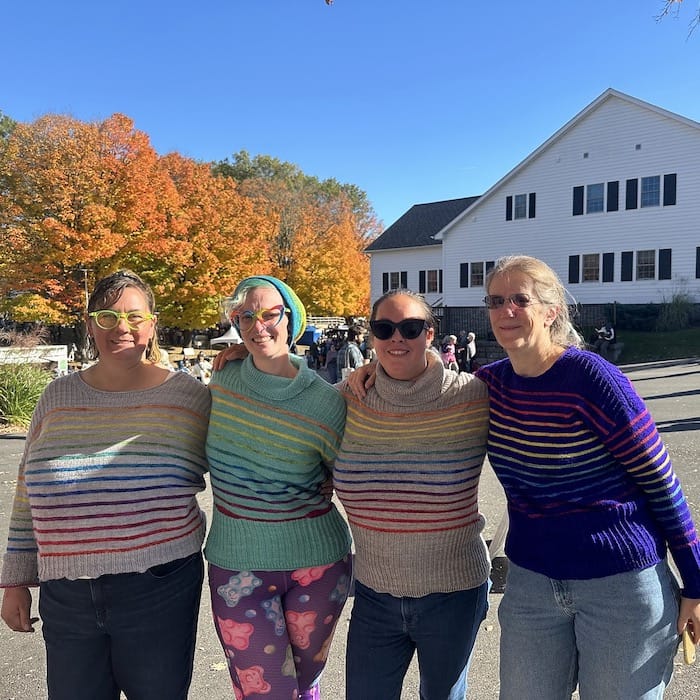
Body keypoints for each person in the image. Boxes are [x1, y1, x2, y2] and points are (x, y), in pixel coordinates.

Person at [475, 255, 700, 699]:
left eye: (520, 299)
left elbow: (661, 481)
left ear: (550, 310)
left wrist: (695, 581)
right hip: (531, 586)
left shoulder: (593, 379)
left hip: (620, 586)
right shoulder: (489, 387)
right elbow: (423, 390)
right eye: (496, 301)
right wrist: (369, 373)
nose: (507, 311)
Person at [0, 269, 211, 700]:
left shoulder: (188, 398)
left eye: (135, 317)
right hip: (67, 595)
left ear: (153, 323)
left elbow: (245, 460)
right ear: (91, 324)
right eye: (108, 317)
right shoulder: (56, 397)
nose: (122, 329)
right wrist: (16, 579)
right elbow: (28, 488)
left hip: (159, 587)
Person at [204, 275, 352, 700]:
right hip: (238, 563)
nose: (258, 325)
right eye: (245, 316)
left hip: (318, 565)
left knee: (303, 687)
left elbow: (349, 476)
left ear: (292, 319)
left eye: (270, 314)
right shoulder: (223, 380)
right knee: (265, 691)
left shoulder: (326, 402)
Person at [338, 289, 491, 700]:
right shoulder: (348, 398)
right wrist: (240, 360)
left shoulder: (472, 396)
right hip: (373, 593)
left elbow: (534, 384)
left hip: (454, 594)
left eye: (410, 327)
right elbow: (288, 397)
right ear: (372, 336)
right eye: (384, 328)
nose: (396, 338)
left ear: (430, 334)